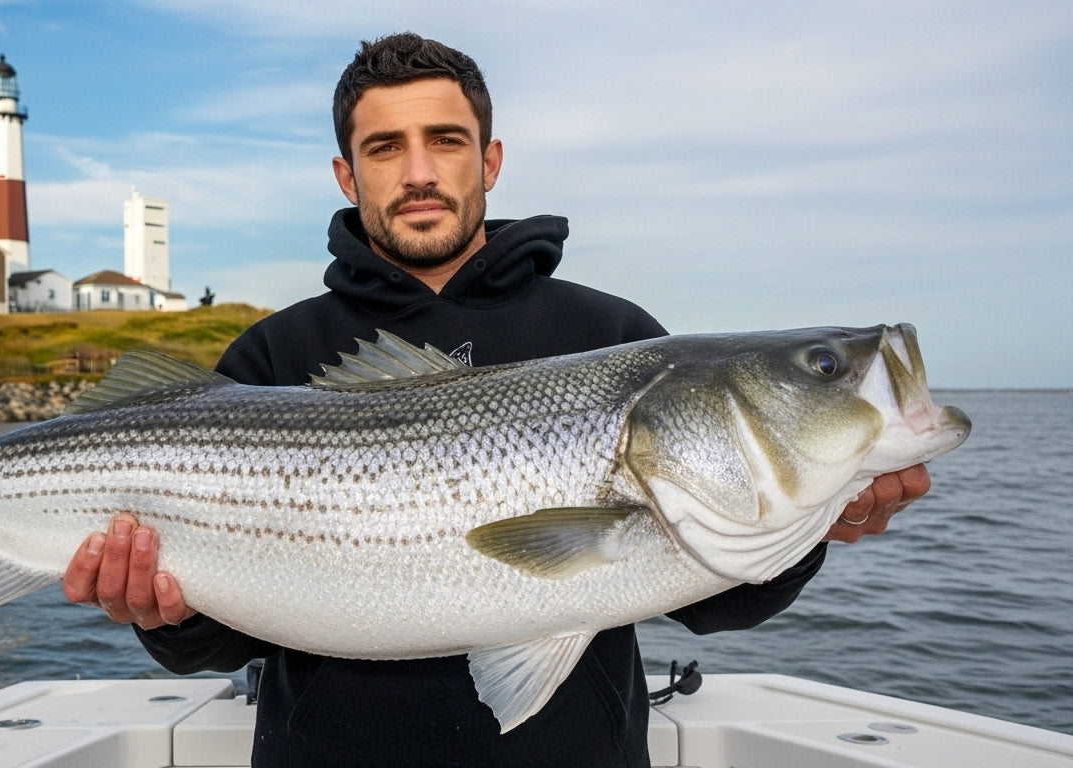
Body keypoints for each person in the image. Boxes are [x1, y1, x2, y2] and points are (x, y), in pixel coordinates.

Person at [63, 33, 931, 767]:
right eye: (383, 147)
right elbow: (221, 638)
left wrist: (815, 522)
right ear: (344, 173)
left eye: (445, 140)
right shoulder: (275, 351)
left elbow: (718, 599)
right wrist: (157, 612)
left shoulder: (616, 334)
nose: (418, 172)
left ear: (491, 158)